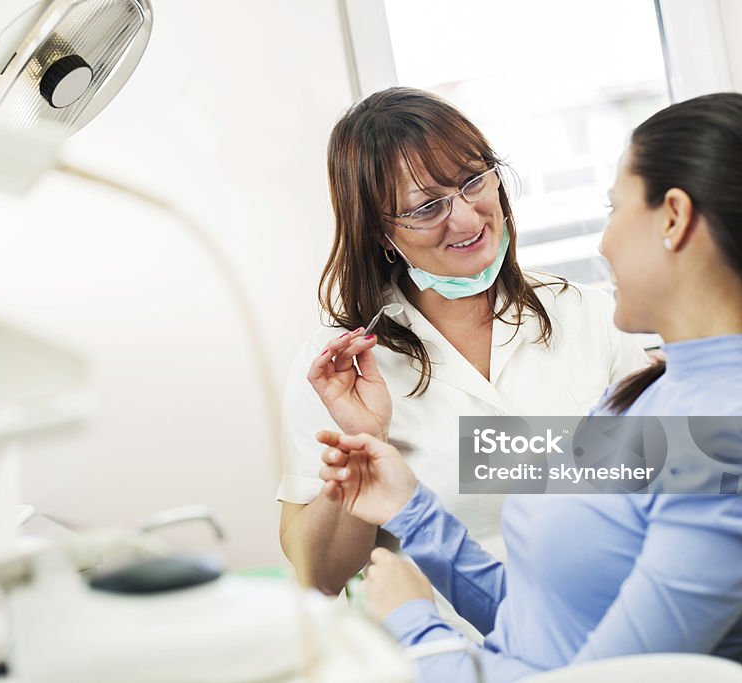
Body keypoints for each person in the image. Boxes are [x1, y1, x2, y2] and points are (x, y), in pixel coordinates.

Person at [314, 92, 742, 680]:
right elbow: (545, 625)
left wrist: (416, 623)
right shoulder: (656, 393)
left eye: (612, 208)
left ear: (673, 218)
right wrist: (413, 513)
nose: (602, 244)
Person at [277, 87, 648, 595]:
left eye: (473, 181)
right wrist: (365, 449)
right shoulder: (340, 369)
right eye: (426, 208)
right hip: (439, 652)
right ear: (382, 235)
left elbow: (661, 479)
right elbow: (317, 577)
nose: (468, 219)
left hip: (591, 630)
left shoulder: (586, 312)